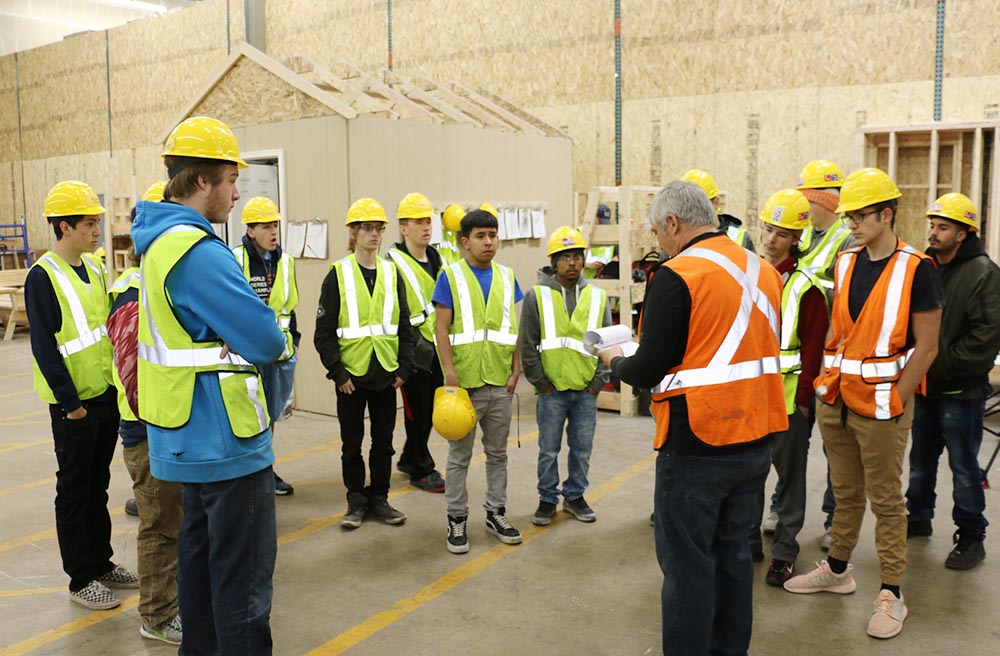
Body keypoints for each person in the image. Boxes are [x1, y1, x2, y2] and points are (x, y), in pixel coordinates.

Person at [599, 180, 786, 655]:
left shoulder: (677, 274)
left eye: (658, 233)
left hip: (697, 444)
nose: (658, 243)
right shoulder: (763, 271)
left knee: (687, 569)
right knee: (733, 557)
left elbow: (647, 368)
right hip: (757, 436)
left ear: (674, 224)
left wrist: (615, 360)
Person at [132, 116, 287, 653]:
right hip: (226, 441)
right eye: (230, 179)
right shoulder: (197, 251)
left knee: (197, 580)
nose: (237, 193)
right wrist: (241, 333)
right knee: (241, 589)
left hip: (183, 438)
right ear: (202, 181)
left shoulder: (156, 245)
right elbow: (267, 340)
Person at [783, 168, 944, 641]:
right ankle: (837, 571)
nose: (849, 222)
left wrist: (897, 396)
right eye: (847, 214)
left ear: (887, 214)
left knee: (887, 500)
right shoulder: (846, 261)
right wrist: (824, 384)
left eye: (859, 215)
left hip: (882, 405)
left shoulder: (918, 268)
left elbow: (928, 347)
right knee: (845, 492)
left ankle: (892, 593)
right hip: (838, 399)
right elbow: (841, 330)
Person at [25, 180, 138, 610]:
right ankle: (80, 578)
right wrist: (69, 403)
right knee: (75, 489)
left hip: (104, 395)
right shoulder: (42, 276)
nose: (97, 231)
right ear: (65, 227)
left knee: (98, 485)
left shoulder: (93, 268)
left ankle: (102, 562)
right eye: (89, 224)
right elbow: (45, 346)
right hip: (74, 406)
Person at [107, 180, 184, 644]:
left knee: (176, 522)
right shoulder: (134, 289)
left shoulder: (156, 281)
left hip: (168, 425)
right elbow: (134, 375)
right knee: (159, 525)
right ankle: (156, 616)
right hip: (151, 428)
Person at [906, 192, 1000, 569]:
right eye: (933, 225)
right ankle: (918, 516)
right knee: (920, 460)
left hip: (961, 392)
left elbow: (987, 335)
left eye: (943, 227)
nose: (934, 231)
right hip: (926, 387)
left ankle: (971, 535)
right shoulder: (928, 266)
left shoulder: (984, 273)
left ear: (963, 233)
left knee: (963, 467)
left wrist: (938, 365)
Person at [314, 198, 415, 529]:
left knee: (383, 444)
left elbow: (405, 325)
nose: (374, 234)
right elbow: (324, 333)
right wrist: (338, 372)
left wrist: (404, 369)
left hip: (386, 374)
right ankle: (356, 500)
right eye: (367, 228)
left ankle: (380, 498)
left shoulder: (391, 272)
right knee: (351, 445)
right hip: (351, 378)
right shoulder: (338, 275)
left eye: (378, 228)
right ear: (353, 233)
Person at [746, 189, 828, 586]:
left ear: (797, 238)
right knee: (749, 475)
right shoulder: (748, 275)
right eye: (767, 229)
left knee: (790, 479)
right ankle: (748, 541)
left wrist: (805, 399)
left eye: (780, 233)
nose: (770, 238)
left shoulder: (805, 285)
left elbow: (813, 347)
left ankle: (784, 553)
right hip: (751, 396)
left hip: (790, 400)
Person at [433, 209, 524, 554]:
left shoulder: (506, 276)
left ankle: (495, 513)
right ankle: (456, 518)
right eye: (481, 236)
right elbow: (441, 328)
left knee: (497, 454)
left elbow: (510, 328)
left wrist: (516, 370)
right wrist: (450, 374)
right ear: (464, 241)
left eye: (493, 235)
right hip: (465, 384)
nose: (489, 242)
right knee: (459, 457)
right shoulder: (450, 276)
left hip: (500, 382)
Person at [520, 226, 611, 526]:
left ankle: (574, 496)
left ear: (584, 260)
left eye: (576, 256)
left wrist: (598, 383)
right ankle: (547, 498)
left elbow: (608, 343)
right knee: (548, 449)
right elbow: (528, 343)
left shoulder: (599, 298)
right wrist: (540, 383)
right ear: (554, 262)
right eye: (565, 257)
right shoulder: (537, 297)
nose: (572, 263)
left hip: (586, 391)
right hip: (552, 391)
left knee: (582, 449)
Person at [791, 159, 856, 549]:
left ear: (824, 200)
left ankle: (835, 519)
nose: (806, 206)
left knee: (836, 445)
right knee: (793, 443)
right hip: (799, 358)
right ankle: (784, 510)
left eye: (808, 199)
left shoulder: (845, 240)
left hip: (831, 360)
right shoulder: (802, 237)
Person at [233, 196, 300, 496]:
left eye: (275, 225)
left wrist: (294, 342)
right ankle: (247, 473)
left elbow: (290, 307)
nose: (273, 232)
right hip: (246, 356)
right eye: (266, 226)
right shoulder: (235, 259)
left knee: (270, 415)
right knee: (247, 416)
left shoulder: (286, 261)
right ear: (250, 230)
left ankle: (265, 471)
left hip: (278, 354)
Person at [387, 192, 447, 492]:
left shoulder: (439, 258)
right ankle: (421, 469)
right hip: (412, 351)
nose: (426, 227)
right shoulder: (393, 263)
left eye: (428, 221)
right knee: (417, 414)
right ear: (403, 227)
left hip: (438, 347)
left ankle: (411, 457)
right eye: (418, 222)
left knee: (432, 412)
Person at [681, 168, 756, 252]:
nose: (693, 214)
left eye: (699, 207)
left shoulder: (738, 238)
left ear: (715, 203)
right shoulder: (676, 238)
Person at [583, 204, 616, 279]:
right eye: (600, 221)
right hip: (583, 281)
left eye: (605, 222)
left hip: (601, 279)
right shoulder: (580, 233)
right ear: (593, 218)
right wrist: (588, 265)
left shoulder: (609, 236)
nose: (602, 225)